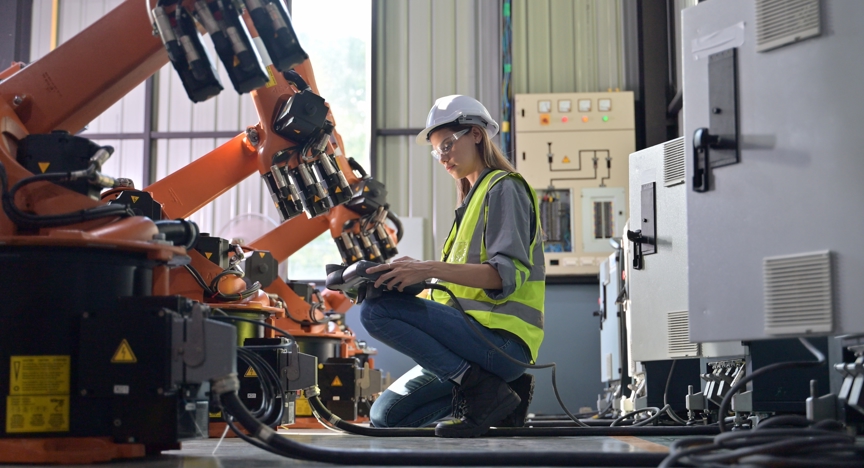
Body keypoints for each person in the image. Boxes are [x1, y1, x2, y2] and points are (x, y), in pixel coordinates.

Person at [359, 95, 545, 438]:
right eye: (436, 151)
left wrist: (427, 268)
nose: (442, 157)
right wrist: (407, 280)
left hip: (499, 343)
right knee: (385, 417)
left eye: (446, 144)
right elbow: (455, 290)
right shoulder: (468, 204)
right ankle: (497, 392)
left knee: (375, 312)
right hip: (464, 344)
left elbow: (503, 277)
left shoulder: (505, 189)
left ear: (475, 134)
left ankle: (483, 390)